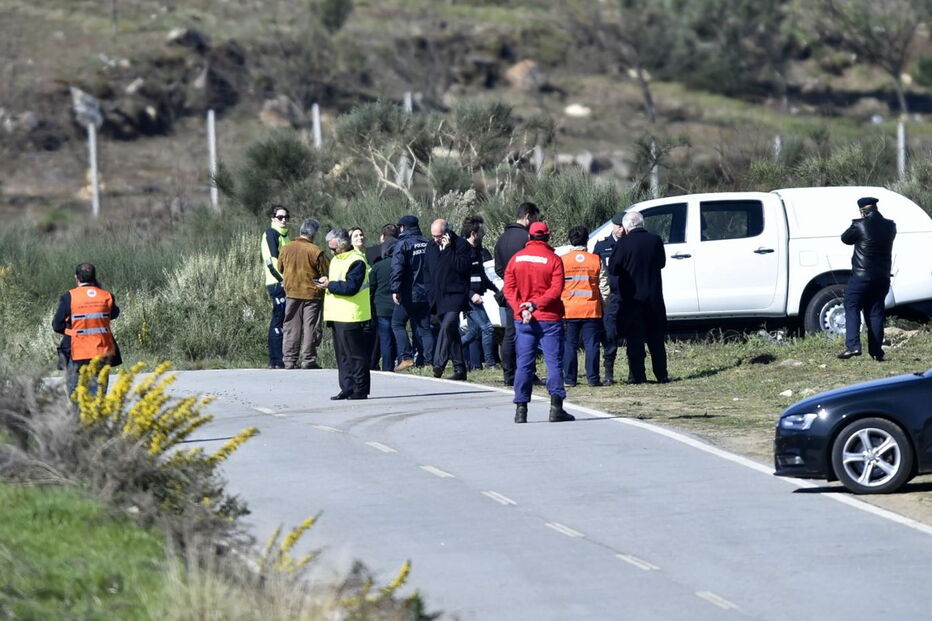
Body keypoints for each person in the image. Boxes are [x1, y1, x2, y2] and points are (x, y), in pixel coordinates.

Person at [504, 221, 574, 424]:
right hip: (549, 318)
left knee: (524, 364)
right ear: (548, 237)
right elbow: (556, 289)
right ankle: (556, 408)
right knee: (554, 363)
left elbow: (508, 288)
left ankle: (521, 409)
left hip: (524, 319)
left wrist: (521, 308)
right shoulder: (554, 259)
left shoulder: (516, 259)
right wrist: (535, 305)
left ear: (529, 237)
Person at [608, 211, 669, 384]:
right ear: (642, 224)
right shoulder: (655, 240)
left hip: (632, 299)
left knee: (635, 338)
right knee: (656, 338)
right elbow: (662, 263)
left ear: (626, 227)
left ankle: (637, 375)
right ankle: (661, 374)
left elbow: (613, 268)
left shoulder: (623, 243)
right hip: (653, 297)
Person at [838, 196, 897, 361]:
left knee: (851, 305)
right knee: (875, 312)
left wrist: (858, 222)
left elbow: (845, 238)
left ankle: (853, 346)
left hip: (862, 276)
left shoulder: (859, 225)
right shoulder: (890, 226)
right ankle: (877, 352)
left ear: (863, 211)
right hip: (882, 277)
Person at [315, 228, 371, 400]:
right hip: (336, 314)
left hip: (352, 314)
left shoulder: (356, 261)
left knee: (355, 355)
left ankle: (360, 389)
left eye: (334, 248)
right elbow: (337, 282)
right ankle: (347, 387)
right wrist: (327, 281)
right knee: (342, 356)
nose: (331, 251)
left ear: (344, 244)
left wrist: (330, 285)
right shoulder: (336, 260)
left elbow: (351, 287)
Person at [52, 262, 122, 396]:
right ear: (94, 277)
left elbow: (57, 325)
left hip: (78, 352)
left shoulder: (69, 297)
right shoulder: (106, 296)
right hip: (102, 352)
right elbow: (114, 314)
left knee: (76, 396)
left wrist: (71, 331)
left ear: (76, 278)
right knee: (98, 396)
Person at [494, 202, 541, 386]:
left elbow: (498, 268)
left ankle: (509, 374)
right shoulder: (527, 238)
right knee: (528, 332)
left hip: (509, 291)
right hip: (527, 291)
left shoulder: (502, 239)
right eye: (535, 218)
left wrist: (509, 279)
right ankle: (528, 372)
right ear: (528, 216)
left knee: (510, 333)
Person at [276, 218, 329, 369]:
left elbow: (280, 268)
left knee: (291, 326)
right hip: (312, 294)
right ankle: (308, 359)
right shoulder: (316, 251)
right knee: (310, 327)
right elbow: (325, 272)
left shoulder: (286, 248)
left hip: (292, 292)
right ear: (313, 234)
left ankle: (289, 360)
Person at [424, 218, 472, 380]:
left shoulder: (461, 245)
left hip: (456, 294)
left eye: (438, 236)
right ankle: (460, 369)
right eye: (433, 236)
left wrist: (448, 249)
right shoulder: (430, 246)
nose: (435, 239)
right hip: (438, 296)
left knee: (447, 326)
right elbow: (427, 271)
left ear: (446, 233)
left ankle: (438, 364)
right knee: (452, 332)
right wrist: (429, 292)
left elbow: (462, 267)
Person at [390, 215, 435, 371]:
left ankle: (406, 357)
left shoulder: (402, 244)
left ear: (403, 228)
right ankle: (430, 362)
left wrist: (395, 289)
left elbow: (397, 269)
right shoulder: (428, 243)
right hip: (426, 294)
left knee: (397, 324)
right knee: (425, 328)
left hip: (408, 293)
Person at [561, 225, 603, 387]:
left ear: (570, 240)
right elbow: (604, 286)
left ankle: (569, 379)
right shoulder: (595, 259)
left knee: (570, 345)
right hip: (591, 309)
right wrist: (604, 305)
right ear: (587, 239)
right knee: (592, 345)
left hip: (569, 309)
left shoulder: (562, 260)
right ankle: (593, 378)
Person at [460, 215, 497, 370]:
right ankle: (490, 364)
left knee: (473, 332)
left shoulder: (478, 250)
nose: (484, 234)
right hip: (469, 298)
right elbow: (458, 278)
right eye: (481, 231)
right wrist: (471, 294)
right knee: (487, 328)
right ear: (474, 233)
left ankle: (449, 350)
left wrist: (495, 289)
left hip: (476, 295)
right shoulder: (462, 251)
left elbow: (481, 275)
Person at [592, 212, 626, 385]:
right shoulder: (602, 246)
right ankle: (608, 372)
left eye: (623, 226)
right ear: (613, 225)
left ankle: (636, 373)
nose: (621, 230)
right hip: (610, 297)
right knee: (610, 335)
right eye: (618, 226)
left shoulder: (630, 243)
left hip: (628, 295)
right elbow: (595, 270)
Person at [261, 205, 292, 369]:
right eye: (280, 217)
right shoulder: (271, 234)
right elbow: (272, 262)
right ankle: (275, 359)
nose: (284, 220)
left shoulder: (286, 237)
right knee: (278, 319)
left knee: (286, 320)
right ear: (273, 218)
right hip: (277, 283)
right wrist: (283, 280)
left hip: (288, 282)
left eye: (286, 217)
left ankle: (285, 357)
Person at [368, 235, 398, 371]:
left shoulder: (377, 267)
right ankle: (399, 361)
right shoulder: (400, 265)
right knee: (397, 336)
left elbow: (371, 289)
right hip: (397, 307)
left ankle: (387, 367)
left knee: (385, 340)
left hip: (381, 309)